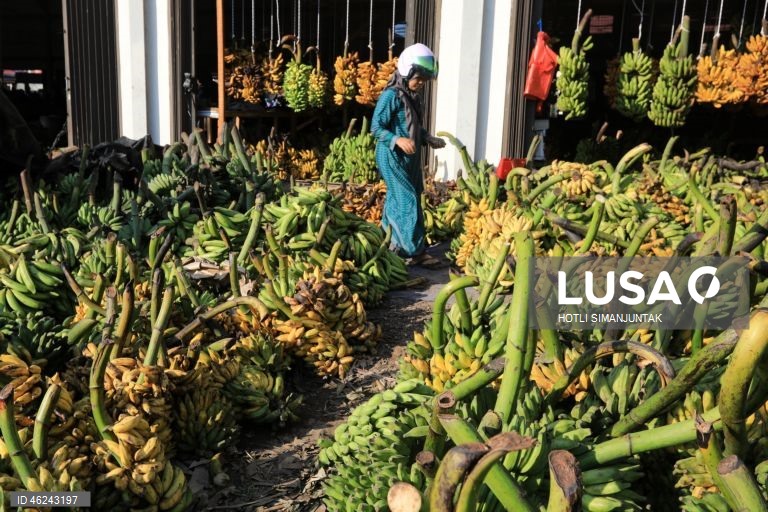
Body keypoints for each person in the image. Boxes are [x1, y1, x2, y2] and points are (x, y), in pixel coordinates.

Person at [371, 43, 446, 268]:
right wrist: (397, 140)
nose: (421, 83)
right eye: (418, 78)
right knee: (408, 200)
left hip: (410, 158)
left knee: (398, 198)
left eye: (425, 80)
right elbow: (376, 127)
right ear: (406, 71)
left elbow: (412, 126)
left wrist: (427, 138)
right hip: (391, 155)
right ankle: (415, 252)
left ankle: (389, 242)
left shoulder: (412, 97)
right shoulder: (390, 96)